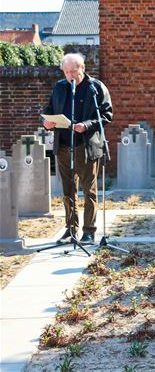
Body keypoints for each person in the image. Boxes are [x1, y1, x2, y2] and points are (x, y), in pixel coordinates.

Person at [42, 53, 113, 244]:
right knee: (67, 191)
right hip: (64, 145)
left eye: (73, 71)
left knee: (88, 190)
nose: (70, 75)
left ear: (83, 68)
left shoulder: (95, 87)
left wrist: (87, 125)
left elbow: (106, 114)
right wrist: (46, 122)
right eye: (66, 72)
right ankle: (70, 229)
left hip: (86, 146)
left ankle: (89, 231)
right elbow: (48, 111)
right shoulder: (59, 87)